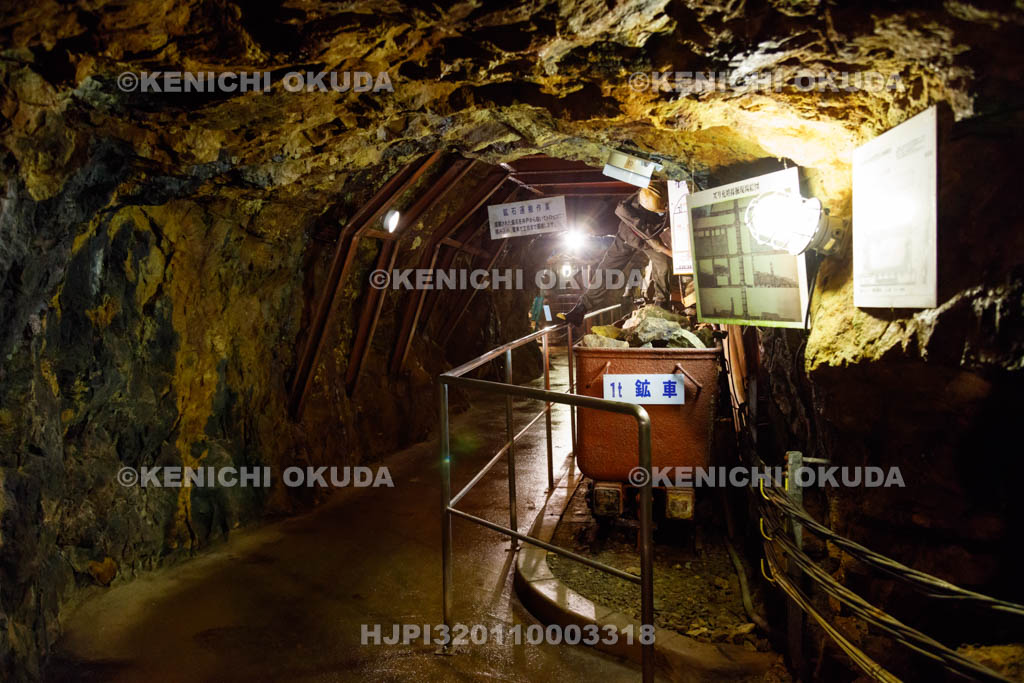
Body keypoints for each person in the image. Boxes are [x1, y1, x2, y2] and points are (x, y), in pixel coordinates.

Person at [560, 182, 673, 325]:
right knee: (606, 271)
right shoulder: (635, 201)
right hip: (627, 238)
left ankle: (661, 304)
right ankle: (580, 310)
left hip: (651, 240)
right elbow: (625, 213)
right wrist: (664, 248)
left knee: (663, 266)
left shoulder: (665, 196)